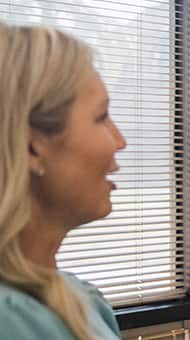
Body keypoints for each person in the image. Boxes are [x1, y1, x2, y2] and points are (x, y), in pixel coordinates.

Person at [0, 24, 127, 339]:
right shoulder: (11, 323)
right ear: (31, 146)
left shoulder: (80, 300)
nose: (120, 141)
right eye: (100, 117)